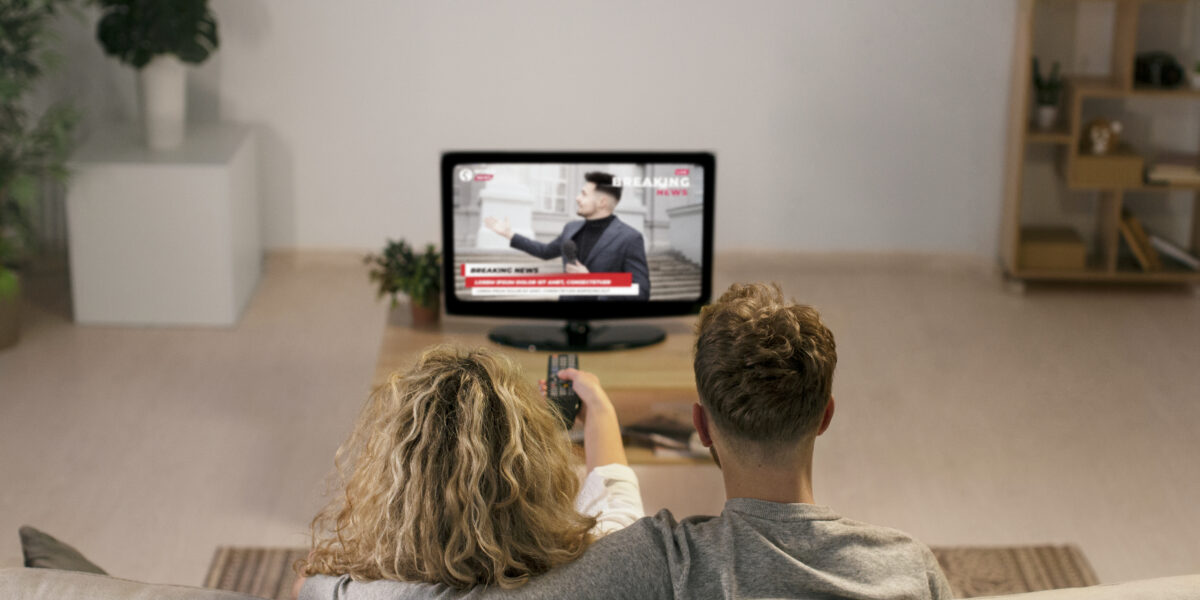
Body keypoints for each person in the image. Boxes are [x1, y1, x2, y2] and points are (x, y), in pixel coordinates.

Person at [302, 283, 952, 600]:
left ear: (701, 428)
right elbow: (611, 489)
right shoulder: (910, 568)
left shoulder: (653, 564)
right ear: (825, 415)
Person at [295, 345, 643, 591]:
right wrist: (598, 405)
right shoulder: (601, 574)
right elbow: (615, 493)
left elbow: (303, 588)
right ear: (536, 479)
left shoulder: (347, 593)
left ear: (397, 489)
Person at [483, 171, 651, 301]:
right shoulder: (571, 228)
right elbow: (545, 251)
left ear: (602, 202)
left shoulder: (630, 238)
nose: (577, 198)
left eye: (584, 194)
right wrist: (509, 234)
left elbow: (641, 293)